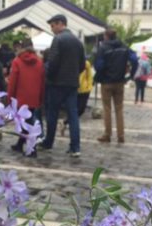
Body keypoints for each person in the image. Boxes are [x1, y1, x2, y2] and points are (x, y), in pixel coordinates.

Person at [40, 14, 86, 157]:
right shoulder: (78, 42)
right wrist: (73, 75)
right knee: (73, 115)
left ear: (61, 24)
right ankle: (75, 147)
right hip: (72, 83)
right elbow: (82, 65)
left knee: (52, 113)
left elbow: (52, 63)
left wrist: (49, 77)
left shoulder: (58, 39)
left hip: (57, 83)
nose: (52, 29)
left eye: (53, 25)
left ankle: (48, 143)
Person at [94, 28, 138, 143]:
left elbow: (99, 65)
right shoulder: (123, 46)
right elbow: (134, 59)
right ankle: (121, 135)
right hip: (120, 82)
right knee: (119, 109)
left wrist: (101, 74)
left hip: (107, 82)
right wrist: (131, 75)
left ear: (106, 36)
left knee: (107, 109)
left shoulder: (103, 48)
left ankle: (107, 134)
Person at [8, 38, 45, 156]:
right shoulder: (39, 62)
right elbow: (42, 81)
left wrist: (10, 98)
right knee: (27, 121)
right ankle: (20, 144)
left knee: (27, 122)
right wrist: (41, 97)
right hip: (34, 96)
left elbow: (13, 81)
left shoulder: (17, 61)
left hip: (21, 97)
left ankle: (32, 149)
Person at [63, 58, 93, 137]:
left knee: (81, 109)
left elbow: (89, 76)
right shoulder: (71, 62)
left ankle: (66, 122)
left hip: (84, 90)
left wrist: (89, 87)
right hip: (74, 89)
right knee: (74, 109)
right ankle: (71, 124)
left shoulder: (86, 64)